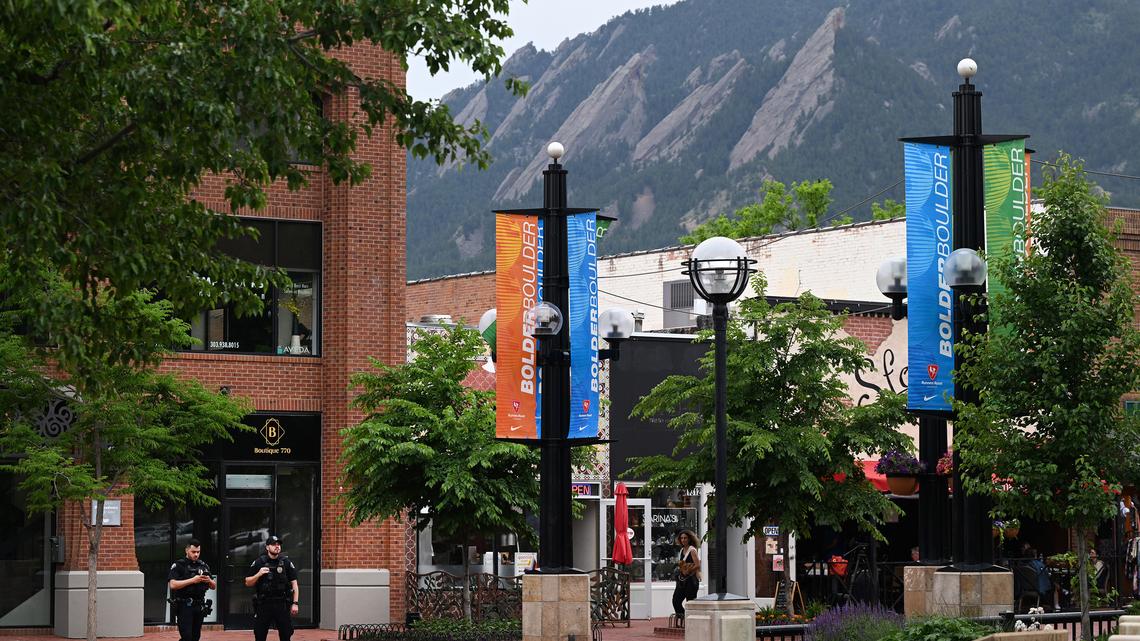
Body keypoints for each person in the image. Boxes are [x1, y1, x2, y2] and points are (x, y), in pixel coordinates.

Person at [245, 535, 299, 641]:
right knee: (260, 635)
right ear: (267, 547)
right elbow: (247, 582)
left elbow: (294, 584)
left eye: (278, 544)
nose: (277, 546)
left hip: (282, 604)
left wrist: (295, 603)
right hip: (264, 604)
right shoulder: (259, 562)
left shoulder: (286, 562)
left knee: (286, 634)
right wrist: (259, 574)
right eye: (273, 544)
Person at [167, 539, 216, 641]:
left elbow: (213, 586)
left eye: (198, 552)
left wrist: (209, 581)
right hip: (185, 605)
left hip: (199, 606)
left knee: (195, 637)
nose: (196, 554)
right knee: (187, 636)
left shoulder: (203, 565)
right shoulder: (179, 565)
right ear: (187, 550)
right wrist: (193, 580)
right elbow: (172, 585)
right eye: (193, 552)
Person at [671, 529, 701, 622]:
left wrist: (688, 570)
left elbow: (697, 564)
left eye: (685, 538)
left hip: (691, 581)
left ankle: (690, 621)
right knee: (676, 600)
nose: (683, 540)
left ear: (689, 539)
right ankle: (684, 618)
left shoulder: (692, 550)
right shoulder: (681, 550)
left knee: (690, 602)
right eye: (681, 538)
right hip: (682, 581)